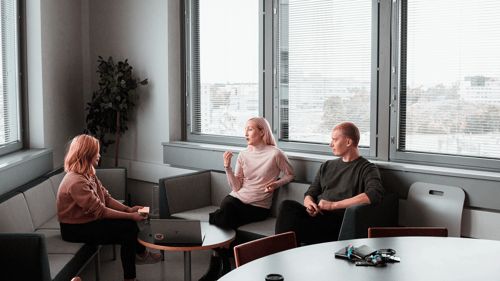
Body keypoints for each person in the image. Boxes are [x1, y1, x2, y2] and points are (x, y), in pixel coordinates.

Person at [199, 117, 295, 281]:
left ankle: (215, 265)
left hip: (258, 206)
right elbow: (236, 187)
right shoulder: (243, 155)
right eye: (245, 129)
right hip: (237, 199)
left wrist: (276, 184)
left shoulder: (275, 154)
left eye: (250, 129)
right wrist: (227, 166)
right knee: (227, 207)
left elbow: (290, 174)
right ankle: (222, 262)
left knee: (221, 214)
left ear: (262, 131)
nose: (245, 133)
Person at [56, 135, 162, 281]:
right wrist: (131, 216)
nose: (99, 155)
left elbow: (106, 198)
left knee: (128, 236)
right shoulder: (75, 181)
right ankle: (142, 254)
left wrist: (127, 210)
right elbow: (100, 211)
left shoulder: (88, 174)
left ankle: (130, 279)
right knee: (129, 224)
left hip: (86, 223)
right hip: (74, 230)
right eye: (96, 152)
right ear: (86, 154)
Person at [275, 122, 385, 245]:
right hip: (316, 214)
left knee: (291, 230)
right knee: (287, 205)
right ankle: (281, 250)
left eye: (334, 140)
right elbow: (311, 192)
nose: (330, 144)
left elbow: (375, 193)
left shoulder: (367, 168)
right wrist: (310, 205)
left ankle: (278, 252)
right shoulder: (327, 165)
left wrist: (332, 206)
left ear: (348, 142)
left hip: (336, 220)